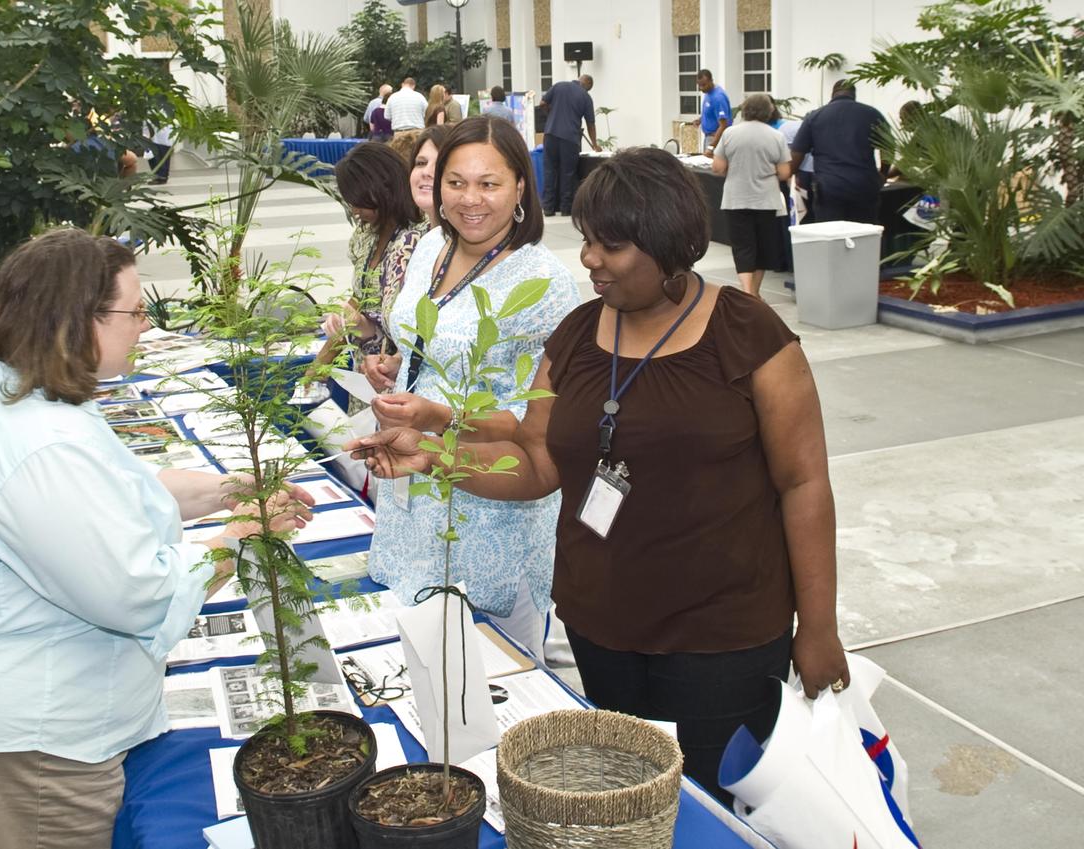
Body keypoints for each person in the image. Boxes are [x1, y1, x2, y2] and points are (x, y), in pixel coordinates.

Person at [349, 147, 849, 804]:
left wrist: (817, 626)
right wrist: (433, 457)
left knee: (706, 807)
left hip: (720, 636)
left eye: (610, 246)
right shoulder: (578, 337)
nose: (588, 259)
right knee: (630, 800)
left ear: (668, 244)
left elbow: (803, 483)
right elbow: (536, 460)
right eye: (588, 240)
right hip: (602, 626)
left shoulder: (748, 334)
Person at [0, 229, 315, 849]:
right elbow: (137, 593)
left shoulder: (27, 400)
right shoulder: (37, 445)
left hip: (10, 712)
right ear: (76, 319)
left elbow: (120, 492)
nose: (144, 326)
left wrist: (228, 491)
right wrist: (242, 534)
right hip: (15, 744)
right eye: (134, 312)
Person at [357, 116, 580, 658]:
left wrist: (436, 415)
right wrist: (394, 363)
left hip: (492, 501)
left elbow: (539, 424)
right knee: (423, 659)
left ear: (521, 187)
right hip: (415, 483)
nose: (469, 200)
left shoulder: (544, 282)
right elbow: (422, 338)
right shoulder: (432, 245)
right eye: (455, 182)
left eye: (489, 183)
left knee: (490, 675)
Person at [362, 124, 452, 394]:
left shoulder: (472, 248)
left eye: (441, 163)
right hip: (406, 406)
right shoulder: (420, 243)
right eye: (421, 162)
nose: (427, 171)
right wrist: (398, 362)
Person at [322, 143, 429, 362]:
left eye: (360, 202)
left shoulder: (421, 238)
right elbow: (360, 296)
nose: (355, 210)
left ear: (383, 189)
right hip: (367, 368)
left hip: (399, 365)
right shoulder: (366, 234)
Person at [712, 93, 791, 296]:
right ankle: (753, 294)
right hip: (766, 200)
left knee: (742, 247)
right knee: (762, 249)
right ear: (769, 111)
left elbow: (718, 167)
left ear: (744, 110)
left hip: (736, 198)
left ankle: (747, 292)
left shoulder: (729, 133)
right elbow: (784, 173)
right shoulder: (777, 136)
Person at [789, 80, 891, 224]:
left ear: (832, 94)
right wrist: (883, 174)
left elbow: (797, 154)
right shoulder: (873, 114)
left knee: (831, 237)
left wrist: (791, 175)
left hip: (829, 188)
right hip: (864, 185)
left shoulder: (815, 116)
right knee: (863, 235)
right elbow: (888, 147)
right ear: (854, 95)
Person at [540, 74, 602, 216]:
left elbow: (542, 103)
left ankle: (548, 208)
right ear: (588, 86)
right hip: (570, 139)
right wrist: (594, 144)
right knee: (567, 173)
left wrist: (550, 115)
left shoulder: (559, 86)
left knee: (550, 170)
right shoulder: (586, 97)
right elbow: (590, 123)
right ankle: (566, 208)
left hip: (550, 135)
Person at [692, 69, 733, 156]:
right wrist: (700, 120)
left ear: (711, 81)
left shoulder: (718, 97)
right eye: (699, 85)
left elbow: (723, 125)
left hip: (716, 139)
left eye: (704, 85)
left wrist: (711, 147)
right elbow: (711, 113)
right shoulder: (708, 93)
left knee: (712, 168)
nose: (701, 88)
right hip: (708, 137)